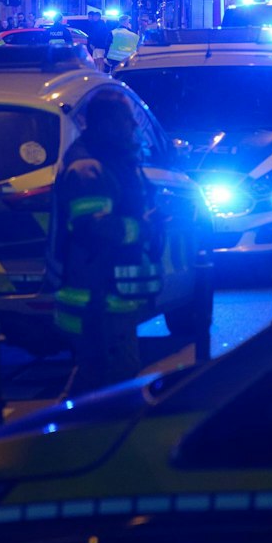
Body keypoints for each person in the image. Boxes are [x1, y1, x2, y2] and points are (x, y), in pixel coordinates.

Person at [48, 90, 163, 393]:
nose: (135, 127)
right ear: (109, 123)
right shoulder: (89, 169)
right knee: (112, 381)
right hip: (97, 299)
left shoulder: (108, 160)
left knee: (98, 379)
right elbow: (93, 228)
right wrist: (143, 228)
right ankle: (63, 437)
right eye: (128, 119)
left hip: (110, 297)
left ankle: (65, 435)